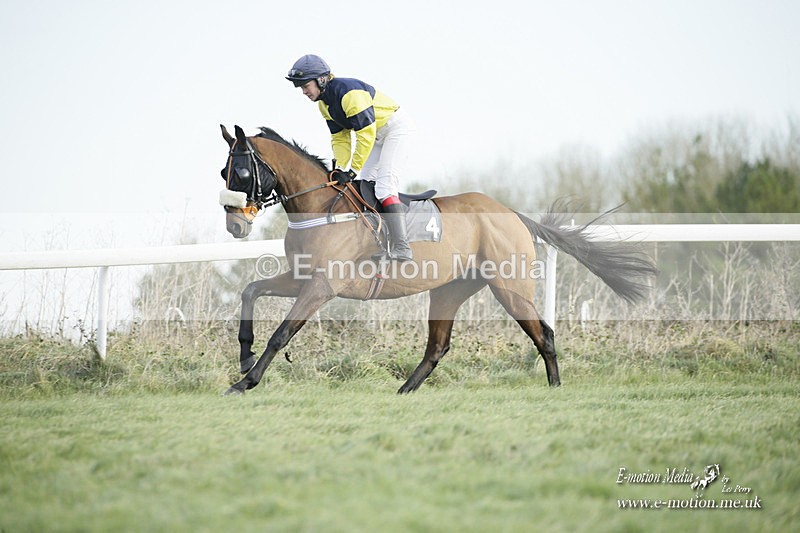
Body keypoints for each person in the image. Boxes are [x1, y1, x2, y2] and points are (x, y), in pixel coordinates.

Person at [286, 54, 416, 262]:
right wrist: (338, 167)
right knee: (365, 186)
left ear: (321, 80)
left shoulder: (349, 94)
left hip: (395, 130)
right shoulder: (324, 104)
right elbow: (341, 138)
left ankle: (403, 247)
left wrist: (352, 170)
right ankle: (382, 240)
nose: (304, 92)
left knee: (384, 187)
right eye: (300, 87)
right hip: (376, 134)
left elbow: (365, 134)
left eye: (305, 86)